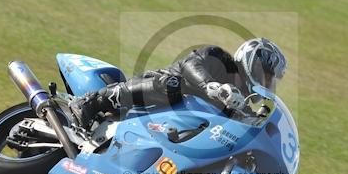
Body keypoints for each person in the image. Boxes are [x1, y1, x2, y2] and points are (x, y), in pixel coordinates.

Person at [68, 38, 287, 129]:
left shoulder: (241, 104)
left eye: (270, 80)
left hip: (169, 128)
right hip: (156, 89)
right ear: (252, 61)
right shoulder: (218, 57)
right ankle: (92, 102)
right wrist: (210, 86)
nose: (267, 82)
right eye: (266, 75)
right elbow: (190, 64)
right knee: (173, 85)